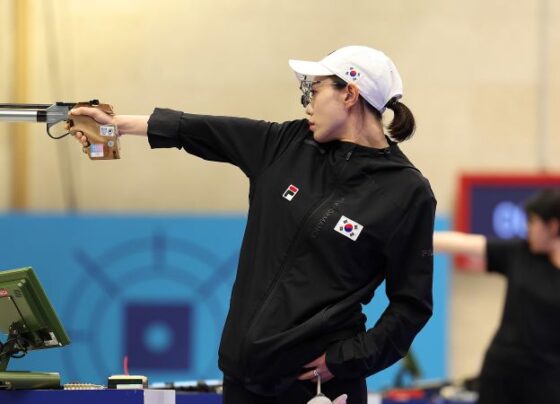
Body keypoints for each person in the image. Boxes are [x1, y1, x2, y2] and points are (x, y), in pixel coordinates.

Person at [71, 45, 436, 404]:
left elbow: (411, 305)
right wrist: (116, 126)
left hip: (319, 388)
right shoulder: (287, 144)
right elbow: (199, 130)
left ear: (350, 94)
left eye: (314, 89)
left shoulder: (406, 191)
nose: (307, 104)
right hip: (243, 380)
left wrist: (346, 360)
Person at [434, 189, 560, 404]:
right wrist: (411, 236)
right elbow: (463, 243)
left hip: (548, 380)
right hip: (502, 373)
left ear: (553, 226)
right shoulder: (520, 253)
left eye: (532, 221)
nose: (527, 228)